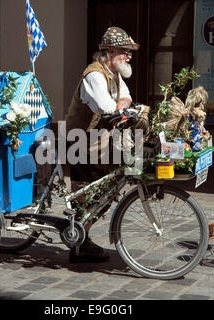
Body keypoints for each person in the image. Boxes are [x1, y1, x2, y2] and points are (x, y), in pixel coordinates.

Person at [64, 27, 139, 263]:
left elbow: (126, 96)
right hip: (82, 142)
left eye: (129, 52)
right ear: (109, 51)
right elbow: (107, 109)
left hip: (97, 142)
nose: (128, 56)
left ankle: (81, 238)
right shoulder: (95, 75)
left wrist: (123, 106)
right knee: (90, 194)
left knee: (106, 192)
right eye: (124, 51)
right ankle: (78, 242)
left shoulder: (114, 73)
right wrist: (121, 108)